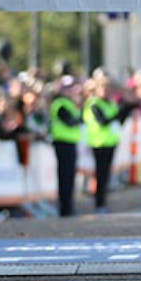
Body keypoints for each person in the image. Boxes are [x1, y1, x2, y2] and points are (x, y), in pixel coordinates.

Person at [83, 72, 130, 214]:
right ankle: (98, 204)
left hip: (110, 143)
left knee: (105, 176)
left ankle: (102, 203)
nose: (107, 92)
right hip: (98, 144)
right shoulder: (93, 103)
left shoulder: (110, 103)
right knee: (99, 175)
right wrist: (117, 114)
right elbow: (103, 121)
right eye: (104, 89)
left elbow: (119, 120)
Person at [49, 76, 85, 217]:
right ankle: (65, 208)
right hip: (62, 143)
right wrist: (77, 119)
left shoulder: (71, 103)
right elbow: (70, 121)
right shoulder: (59, 103)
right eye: (68, 88)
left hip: (71, 142)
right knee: (64, 177)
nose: (71, 91)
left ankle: (69, 207)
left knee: (70, 176)